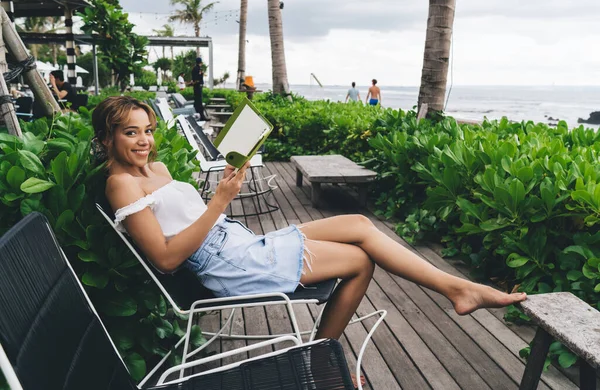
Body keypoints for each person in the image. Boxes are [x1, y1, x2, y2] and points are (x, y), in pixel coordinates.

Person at [94, 96, 526, 383]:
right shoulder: (122, 186)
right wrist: (219, 203)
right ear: (108, 138)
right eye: (131, 132)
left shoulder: (158, 170)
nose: (145, 141)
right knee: (360, 261)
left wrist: (222, 194)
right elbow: (168, 259)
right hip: (228, 266)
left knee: (357, 222)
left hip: (236, 243)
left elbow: (186, 219)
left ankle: (459, 289)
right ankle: (323, 363)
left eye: (147, 129)